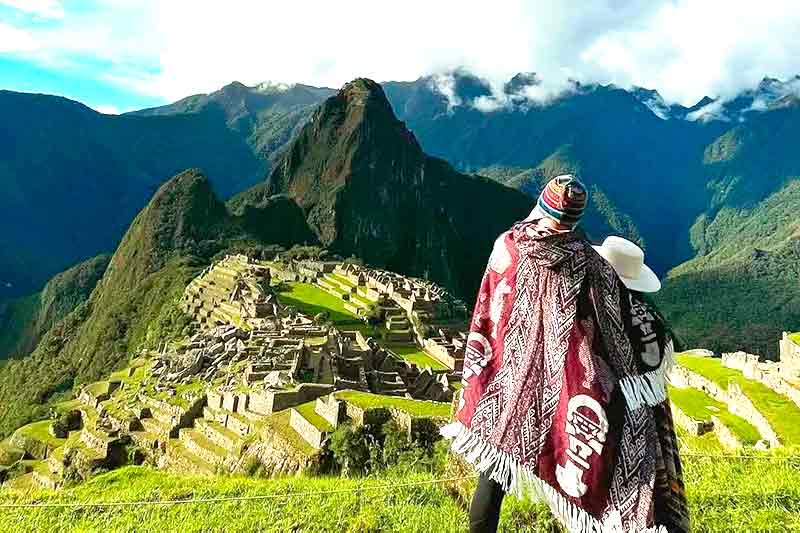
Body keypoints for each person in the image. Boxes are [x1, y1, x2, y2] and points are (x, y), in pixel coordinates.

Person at [441, 175, 688, 533]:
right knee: (589, 465)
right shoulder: (590, 263)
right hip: (564, 389)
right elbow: (619, 323)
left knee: (494, 472)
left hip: (508, 385)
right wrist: (656, 332)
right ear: (576, 215)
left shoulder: (507, 246)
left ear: (542, 203)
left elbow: (489, 310)